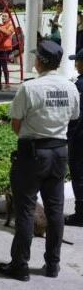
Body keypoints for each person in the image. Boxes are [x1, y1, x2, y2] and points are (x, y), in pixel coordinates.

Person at [0, 40, 80, 281]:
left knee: (25, 210)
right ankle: (52, 265)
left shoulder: (29, 88)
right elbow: (73, 117)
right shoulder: (70, 87)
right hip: (59, 152)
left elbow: (16, 124)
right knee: (55, 211)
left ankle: (20, 266)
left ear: (40, 61)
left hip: (33, 153)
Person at [66, 49, 83, 226]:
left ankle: (81, 214)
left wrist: (69, 136)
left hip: (79, 139)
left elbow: (76, 116)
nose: (76, 64)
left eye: (79, 61)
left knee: (78, 175)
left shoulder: (80, 86)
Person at [0, 12, 16, 91]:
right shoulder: (0, 25)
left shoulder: (11, 25)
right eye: (2, 16)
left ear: (9, 18)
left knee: (4, 67)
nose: (3, 17)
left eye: (5, 16)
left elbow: (8, 33)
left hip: (5, 49)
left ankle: (7, 85)